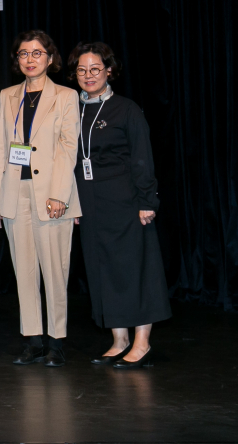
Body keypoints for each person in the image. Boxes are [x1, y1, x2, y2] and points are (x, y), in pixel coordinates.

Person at [68, 42, 170, 369]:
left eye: (95, 69)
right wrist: (74, 203)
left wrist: (147, 200)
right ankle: (119, 339)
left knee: (135, 269)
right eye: (82, 70)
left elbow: (142, 157)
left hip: (127, 200)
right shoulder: (73, 109)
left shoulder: (126, 108)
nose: (88, 75)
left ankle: (141, 342)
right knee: (102, 270)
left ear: (109, 70)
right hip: (90, 202)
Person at [0, 29, 81, 367]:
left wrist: (60, 194)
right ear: (17, 61)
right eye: (23, 54)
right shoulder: (7, 96)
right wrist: (0, 195)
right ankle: (32, 339)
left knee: (55, 271)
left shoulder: (65, 96)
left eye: (36, 53)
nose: (29, 59)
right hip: (16, 194)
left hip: (51, 196)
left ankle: (57, 342)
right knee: (24, 271)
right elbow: (3, 148)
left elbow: (67, 148)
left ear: (50, 58)